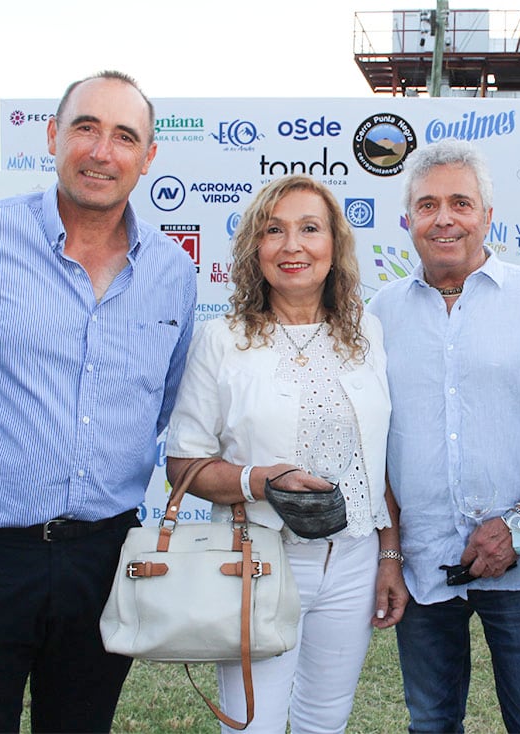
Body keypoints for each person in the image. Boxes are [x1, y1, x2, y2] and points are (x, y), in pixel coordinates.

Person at [0, 70, 196, 732]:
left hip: (103, 560)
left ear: (148, 158)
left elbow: (161, 403)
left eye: (124, 136)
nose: (102, 151)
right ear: (52, 137)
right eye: (85, 127)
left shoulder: (173, 273)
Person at [367, 139, 520, 733]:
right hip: (421, 567)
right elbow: (374, 451)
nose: (443, 218)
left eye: (460, 203)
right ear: (408, 220)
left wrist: (518, 521)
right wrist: (390, 555)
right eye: (426, 205)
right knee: (431, 722)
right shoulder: (379, 314)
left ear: (488, 215)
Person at [164, 174, 405, 734]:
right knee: (255, 725)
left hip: (352, 560)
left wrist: (388, 554)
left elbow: (380, 459)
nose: (292, 245)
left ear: (334, 245)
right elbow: (184, 464)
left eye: (309, 229)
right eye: (275, 230)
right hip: (259, 559)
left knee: (326, 720)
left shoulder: (366, 331)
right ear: (256, 247)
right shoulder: (222, 340)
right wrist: (259, 479)